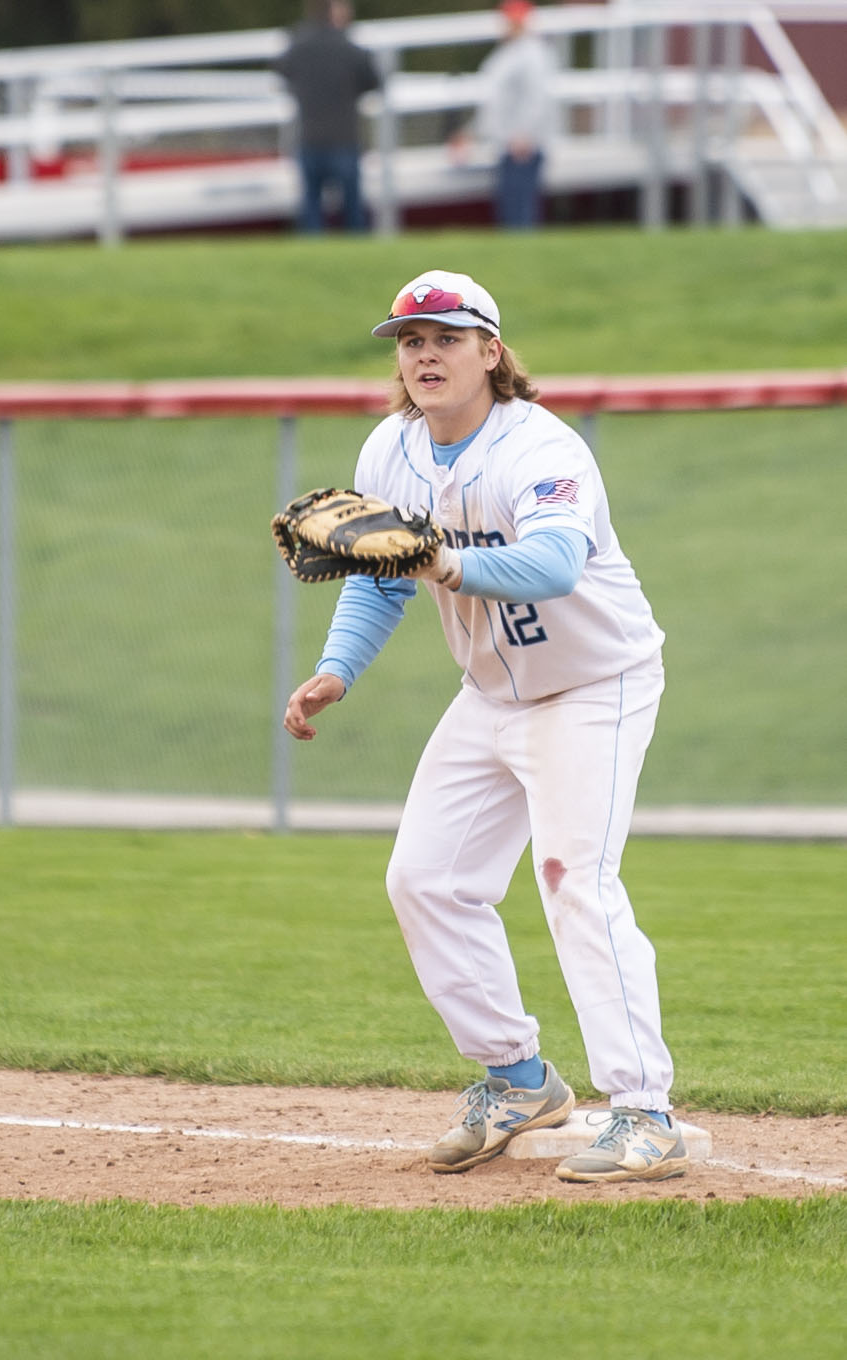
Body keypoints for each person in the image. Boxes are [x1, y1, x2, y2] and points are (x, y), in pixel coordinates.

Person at [283, 269, 687, 1184]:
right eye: (409, 341)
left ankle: (643, 1111)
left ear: (490, 352)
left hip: (594, 686)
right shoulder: (389, 451)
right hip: (492, 695)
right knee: (426, 880)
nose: (424, 354)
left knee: (572, 882)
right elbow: (381, 574)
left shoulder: (540, 449)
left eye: (446, 338)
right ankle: (517, 1078)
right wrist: (336, 671)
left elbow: (548, 565)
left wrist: (436, 558)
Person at [274, 0, 382, 234]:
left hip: (309, 137)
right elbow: (374, 81)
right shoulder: (350, 49)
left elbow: (283, 71)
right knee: (353, 212)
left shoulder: (299, 46)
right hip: (344, 137)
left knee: (311, 210)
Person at [454, 0, 558, 230]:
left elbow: (537, 98)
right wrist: (471, 133)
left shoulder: (533, 54)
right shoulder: (508, 53)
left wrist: (525, 134)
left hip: (522, 145)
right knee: (509, 212)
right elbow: (493, 102)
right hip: (505, 142)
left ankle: (527, 261)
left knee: (520, 213)